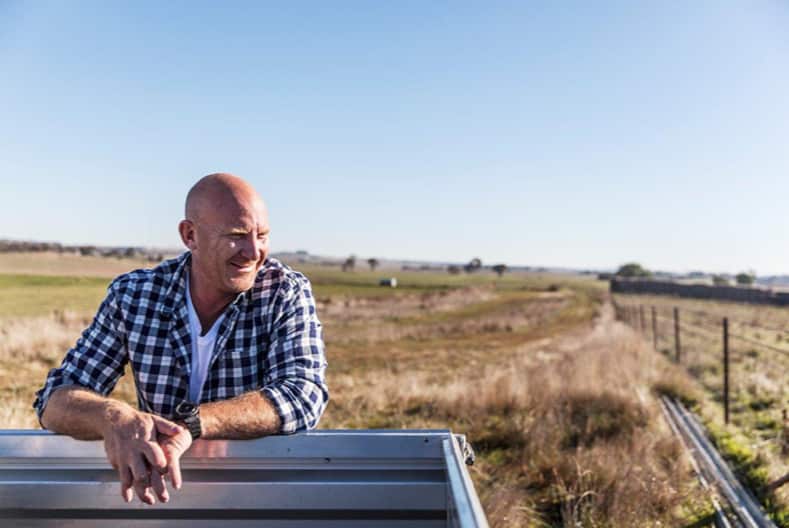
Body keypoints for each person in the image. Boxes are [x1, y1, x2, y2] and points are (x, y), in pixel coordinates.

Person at [33, 173, 329, 505]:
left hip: (257, 496)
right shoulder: (134, 295)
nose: (253, 252)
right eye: (236, 236)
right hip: (161, 498)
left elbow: (303, 395)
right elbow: (53, 400)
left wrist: (191, 424)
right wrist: (113, 417)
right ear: (190, 235)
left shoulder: (284, 291)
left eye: (262, 236)